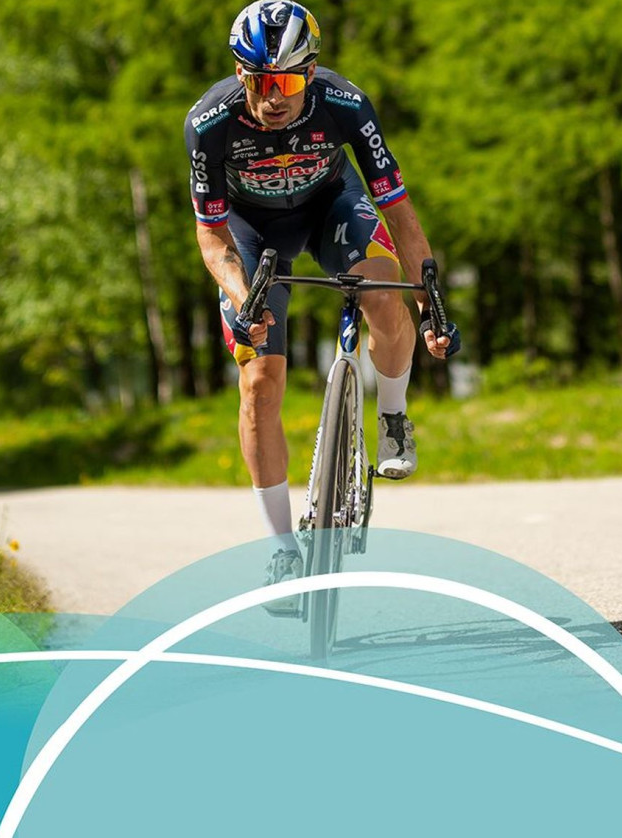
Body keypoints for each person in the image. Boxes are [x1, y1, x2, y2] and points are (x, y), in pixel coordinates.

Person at [184, 1, 461, 611]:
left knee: (387, 298)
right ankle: (282, 549)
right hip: (251, 232)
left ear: (310, 72)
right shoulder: (209, 123)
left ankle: (392, 417)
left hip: (333, 205)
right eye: (257, 80)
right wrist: (242, 296)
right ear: (240, 71)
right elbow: (210, 236)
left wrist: (433, 301)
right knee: (258, 381)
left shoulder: (346, 104)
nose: (271, 96)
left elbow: (399, 212)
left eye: (284, 81)